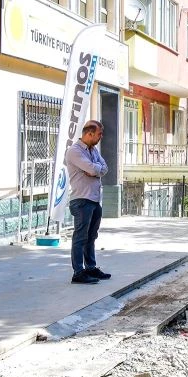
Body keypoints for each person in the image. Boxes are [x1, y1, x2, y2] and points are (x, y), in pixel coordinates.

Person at [65, 120, 110, 284]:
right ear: (89, 133)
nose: (101, 137)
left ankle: (90, 267)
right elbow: (92, 169)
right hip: (82, 199)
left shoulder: (93, 150)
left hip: (94, 198)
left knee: (91, 236)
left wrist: (95, 169)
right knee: (80, 237)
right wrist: (95, 169)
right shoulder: (74, 151)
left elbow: (104, 168)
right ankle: (78, 272)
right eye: (99, 134)